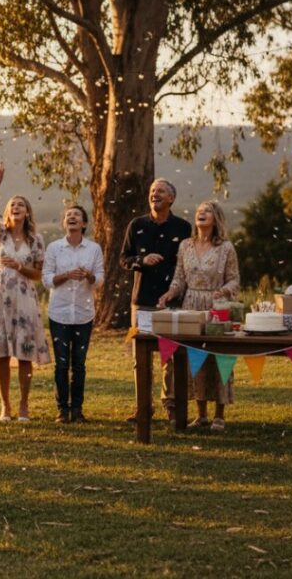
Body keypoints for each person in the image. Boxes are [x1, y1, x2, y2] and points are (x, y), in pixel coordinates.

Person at [158, 200, 240, 432]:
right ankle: (201, 414)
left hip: (216, 308)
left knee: (219, 358)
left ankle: (219, 416)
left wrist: (224, 290)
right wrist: (170, 293)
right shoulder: (185, 245)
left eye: (207, 211)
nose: (201, 213)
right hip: (191, 306)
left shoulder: (226, 248)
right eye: (199, 211)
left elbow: (234, 279)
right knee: (196, 359)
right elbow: (179, 278)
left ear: (216, 218)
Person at [119, 178, 192, 422]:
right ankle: (143, 406)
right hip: (142, 300)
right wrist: (142, 261)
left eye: (160, 191)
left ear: (171, 198)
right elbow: (124, 259)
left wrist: (176, 291)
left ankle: (171, 404)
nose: (154, 194)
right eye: (152, 191)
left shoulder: (183, 228)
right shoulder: (136, 225)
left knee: (171, 355)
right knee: (140, 357)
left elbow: (186, 263)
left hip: (172, 300)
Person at [0, 164, 50, 422]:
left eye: (21, 204)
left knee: (24, 353)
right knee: (1, 353)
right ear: (8, 212)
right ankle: (5, 406)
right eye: (12, 204)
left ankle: (23, 405)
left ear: (27, 212)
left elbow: (39, 274)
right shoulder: (0, 235)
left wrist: (20, 267)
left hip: (24, 299)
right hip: (1, 298)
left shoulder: (36, 240)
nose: (16, 207)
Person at [42, 205, 104, 424]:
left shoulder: (94, 249)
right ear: (64, 223)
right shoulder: (54, 248)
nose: (72, 217)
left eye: (76, 215)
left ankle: (77, 410)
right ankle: (62, 409)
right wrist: (66, 275)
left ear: (84, 223)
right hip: (59, 313)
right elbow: (46, 279)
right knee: (61, 364)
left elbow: (100, 280)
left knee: (79, 364)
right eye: (68, 215)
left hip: (83, 314)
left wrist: (89, 276)